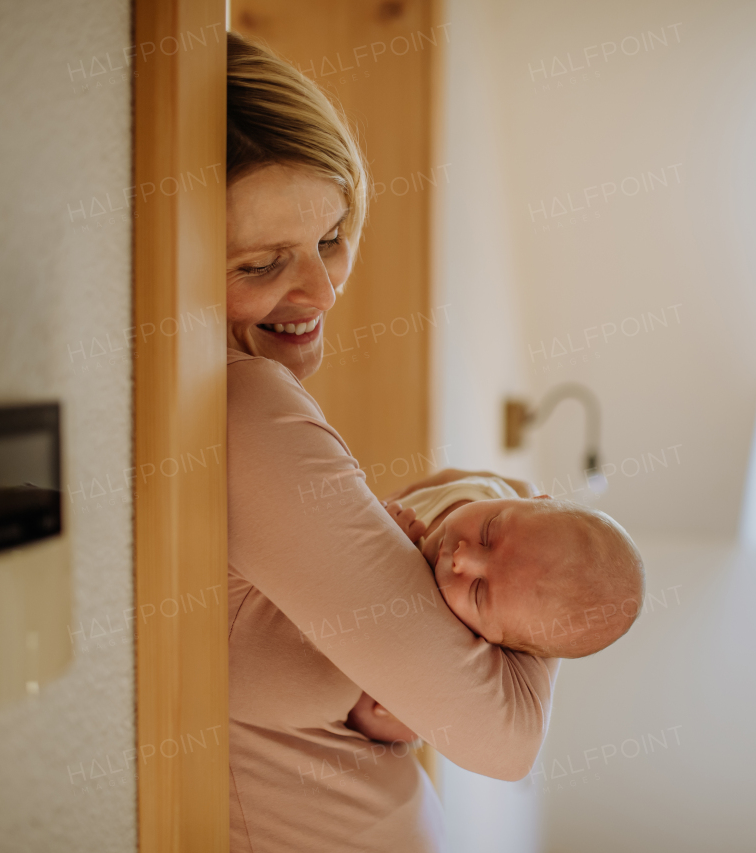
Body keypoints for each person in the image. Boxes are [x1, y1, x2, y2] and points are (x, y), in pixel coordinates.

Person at [225, 33, 559, 853]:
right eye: (263, 262)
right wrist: (548, 570)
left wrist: (497, 498)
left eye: (333, 238)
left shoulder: (237, 404)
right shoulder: (247, 405)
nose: (321, 288)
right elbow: (504, 737)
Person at [347, 476, 645, 744]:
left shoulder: (447, 637)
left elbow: (375, 715)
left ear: (493, 640)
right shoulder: (482, 488)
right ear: (534, 501)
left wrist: (379, 551)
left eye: (478, 591)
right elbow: (422, 485)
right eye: (489, 532)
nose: (462, 557)